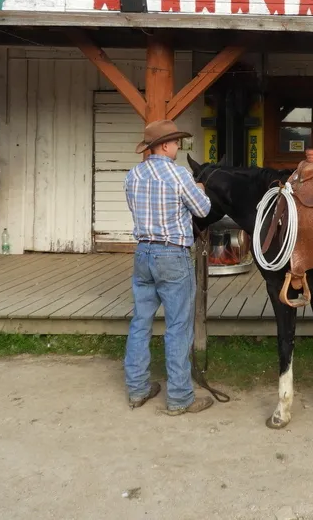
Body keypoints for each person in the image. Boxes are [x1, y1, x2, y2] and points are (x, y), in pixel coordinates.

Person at [123, 119, 213, 415]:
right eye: (176, 142)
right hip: (172, 255)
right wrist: (198, 188)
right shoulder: (179, 175)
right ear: (164, 145)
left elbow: (135, 209)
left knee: (140, 322)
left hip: (143, 252)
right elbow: (203, 209)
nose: (178, 146)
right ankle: (179, 398)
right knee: (178, 327)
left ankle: (137, 389)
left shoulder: (133, 175)